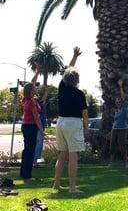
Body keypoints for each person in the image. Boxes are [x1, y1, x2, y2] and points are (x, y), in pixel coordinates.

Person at [53, 47, 89, 194]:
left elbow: (67, 70)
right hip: (73, 123)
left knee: (62, 155)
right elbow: (85, 114)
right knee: (73, 156)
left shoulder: (62, 87)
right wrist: (86, 129)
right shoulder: (79, 93)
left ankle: (56, 184)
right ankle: (72, 188)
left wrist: (74, 57)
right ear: (77, 80)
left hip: (60, 122)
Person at [20, 65, 45, 180]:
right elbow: (36, 118)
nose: (36, 88)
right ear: (31, 91)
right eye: (34, 88)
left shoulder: (25, 99)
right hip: (30, 127)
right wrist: (41, 130)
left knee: (27, 150)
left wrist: (37, 72)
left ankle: (23, 173)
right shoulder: (31, 102)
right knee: (30, 151)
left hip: (25, 126)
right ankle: (27, 175)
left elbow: (31, 83)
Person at [109, 79, 128, 168]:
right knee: (112, 145)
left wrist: (120, 86)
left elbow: (123, 97)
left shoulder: (124, 108)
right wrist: (111, 130)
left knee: (122, 146)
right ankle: (111, 162)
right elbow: (115, 121)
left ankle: (126, 163)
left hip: (123, 129)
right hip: (115, 129)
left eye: (119, 101)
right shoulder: (116, 110)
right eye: (116, 102)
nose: (118, 102)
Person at [33, 86, 49, 167]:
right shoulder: (35, 106)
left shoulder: (38, 105)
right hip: (37, 128)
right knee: (37, 145)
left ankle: (34, 162)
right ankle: (34, 162)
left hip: (36, 128)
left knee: (36, 145)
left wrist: (46, 91)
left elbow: (43, 99)